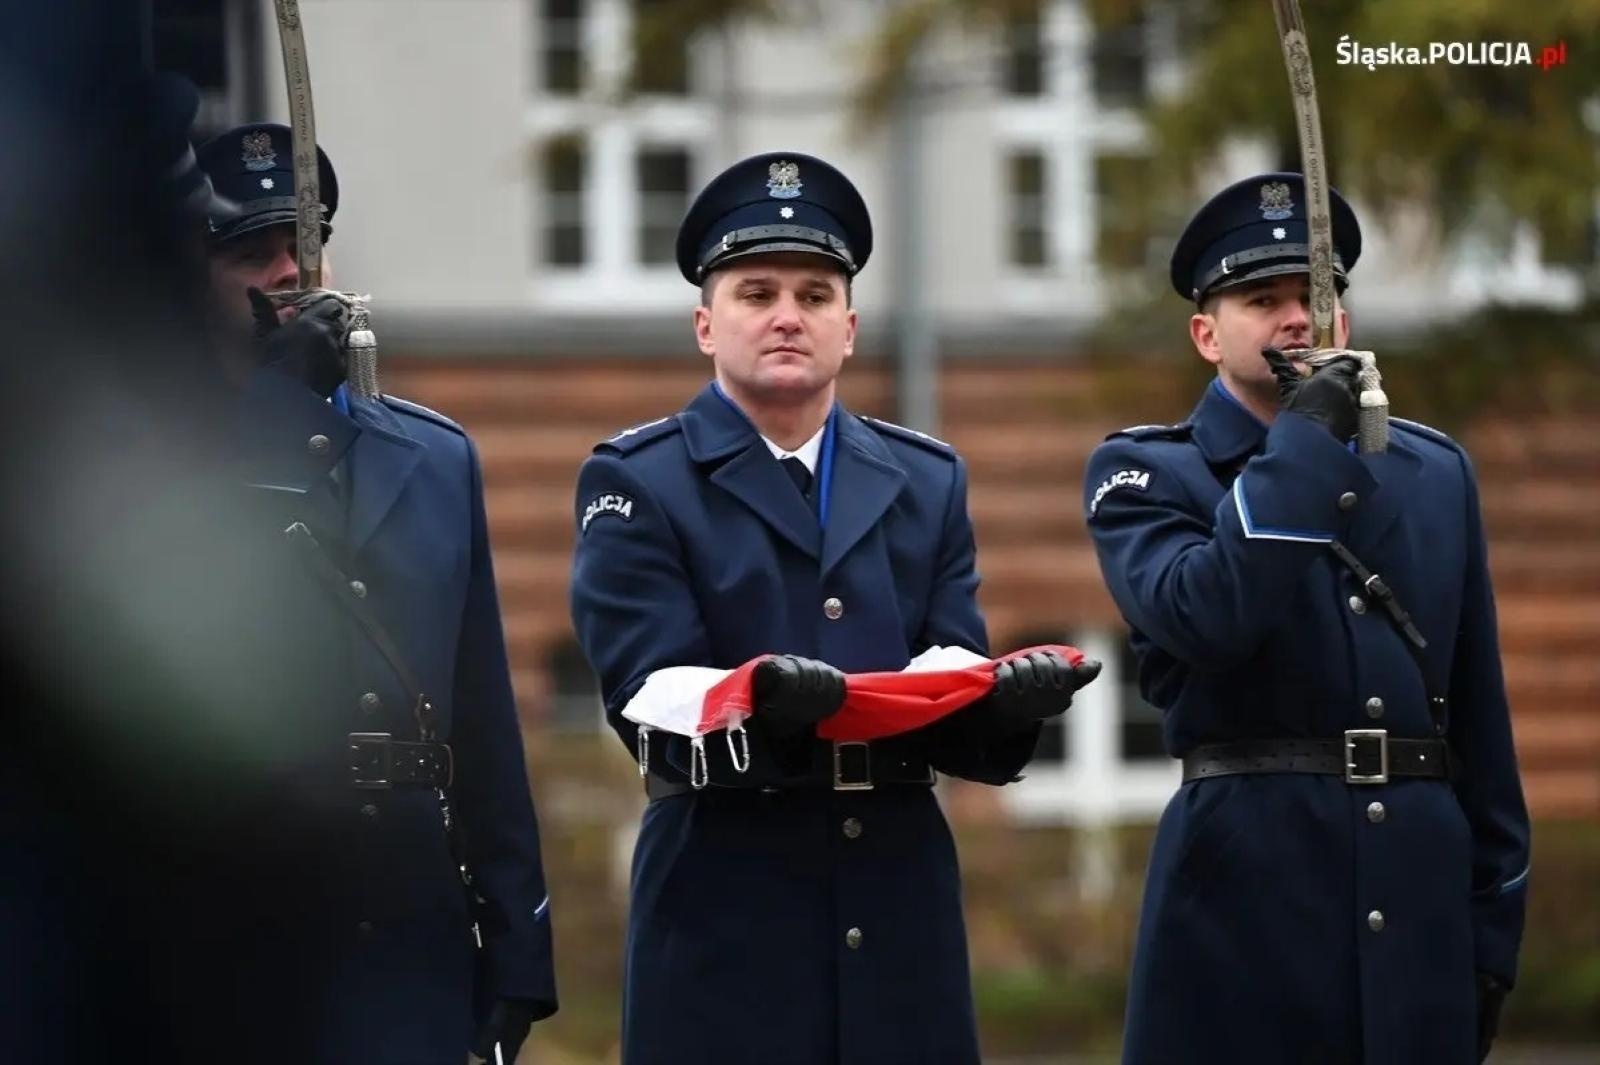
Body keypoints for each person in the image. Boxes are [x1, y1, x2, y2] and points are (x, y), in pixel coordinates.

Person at [568, 151, 1100, 1065]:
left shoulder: (925, 479)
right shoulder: (640, 480)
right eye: (756, 291)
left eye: (815, 295)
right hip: (727, 899)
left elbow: (945, 674)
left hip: (895, 897)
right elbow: (644, 694)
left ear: (849, 329)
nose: (787, 316)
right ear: (706, 323)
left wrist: (1005, 707)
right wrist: (763, 701)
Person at [1083, 173, 1530, 1065]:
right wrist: (1303, 444)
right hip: (1244, 898)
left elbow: (1478, 717)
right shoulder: (1145, 474)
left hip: (1414, 900)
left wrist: (1491, 931)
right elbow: (1206, 615)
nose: (1297, 320)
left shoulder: (1435, 472)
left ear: (1346, 325)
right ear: (1206, 334)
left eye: (1315, 299)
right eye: (1263, 300)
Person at [163, 122, 560, 1062]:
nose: (288, 273)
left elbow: (478, 710)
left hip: (407, 914)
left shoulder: (430, 455)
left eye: (304, 244)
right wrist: (274, 415)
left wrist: (518, 932)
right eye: (250, 254)